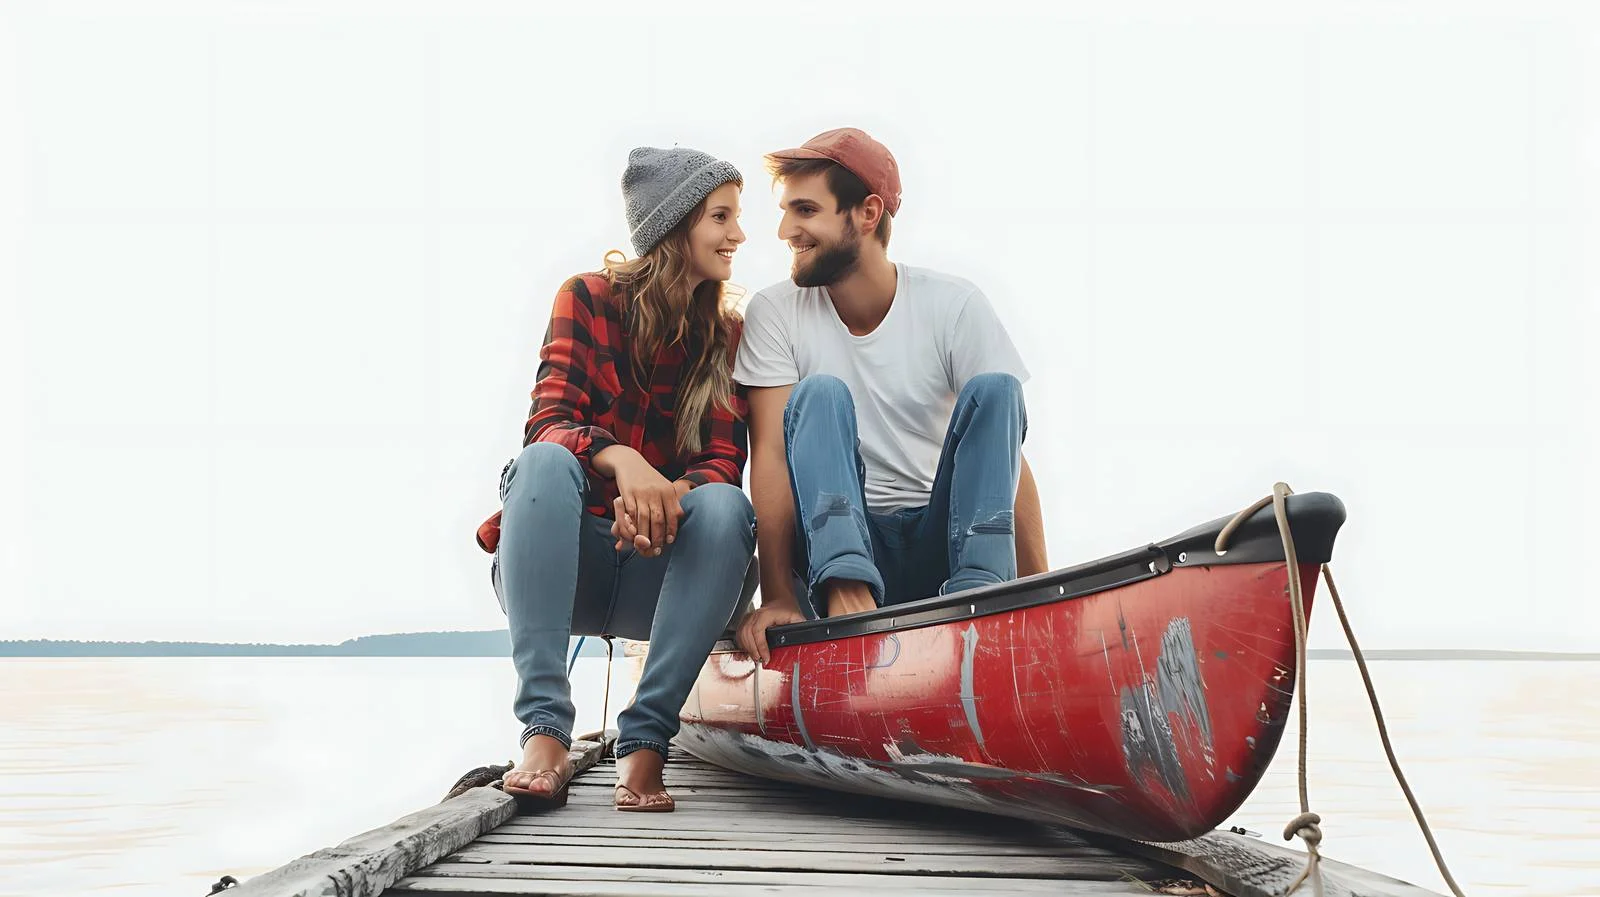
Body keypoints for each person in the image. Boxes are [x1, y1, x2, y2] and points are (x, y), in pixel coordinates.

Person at [475, 146, 756, 812]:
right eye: (721, 217)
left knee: (726, 506)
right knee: (543, 461)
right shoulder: (586, 298)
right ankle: (545, 732)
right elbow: (548, 422)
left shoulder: (726, 335)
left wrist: (662, 500)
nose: (739, 235)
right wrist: (625, 465)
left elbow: (720, 462)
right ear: (674, 225)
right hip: (563, 568)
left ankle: (646, 741)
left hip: (662, 575)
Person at [731, 128, 1047, 664]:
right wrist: (780, 594)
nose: (786, 230)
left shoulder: (954, 305)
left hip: (936, 540)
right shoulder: (775, 312)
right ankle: (847, 595)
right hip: (835, 547)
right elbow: (772, 458)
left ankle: (983, 596)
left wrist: (1043, 587)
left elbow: (1005, 456)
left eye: (805, 210)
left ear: (867, 213)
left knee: (997, 388)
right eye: (786, 211)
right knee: (820, 394)